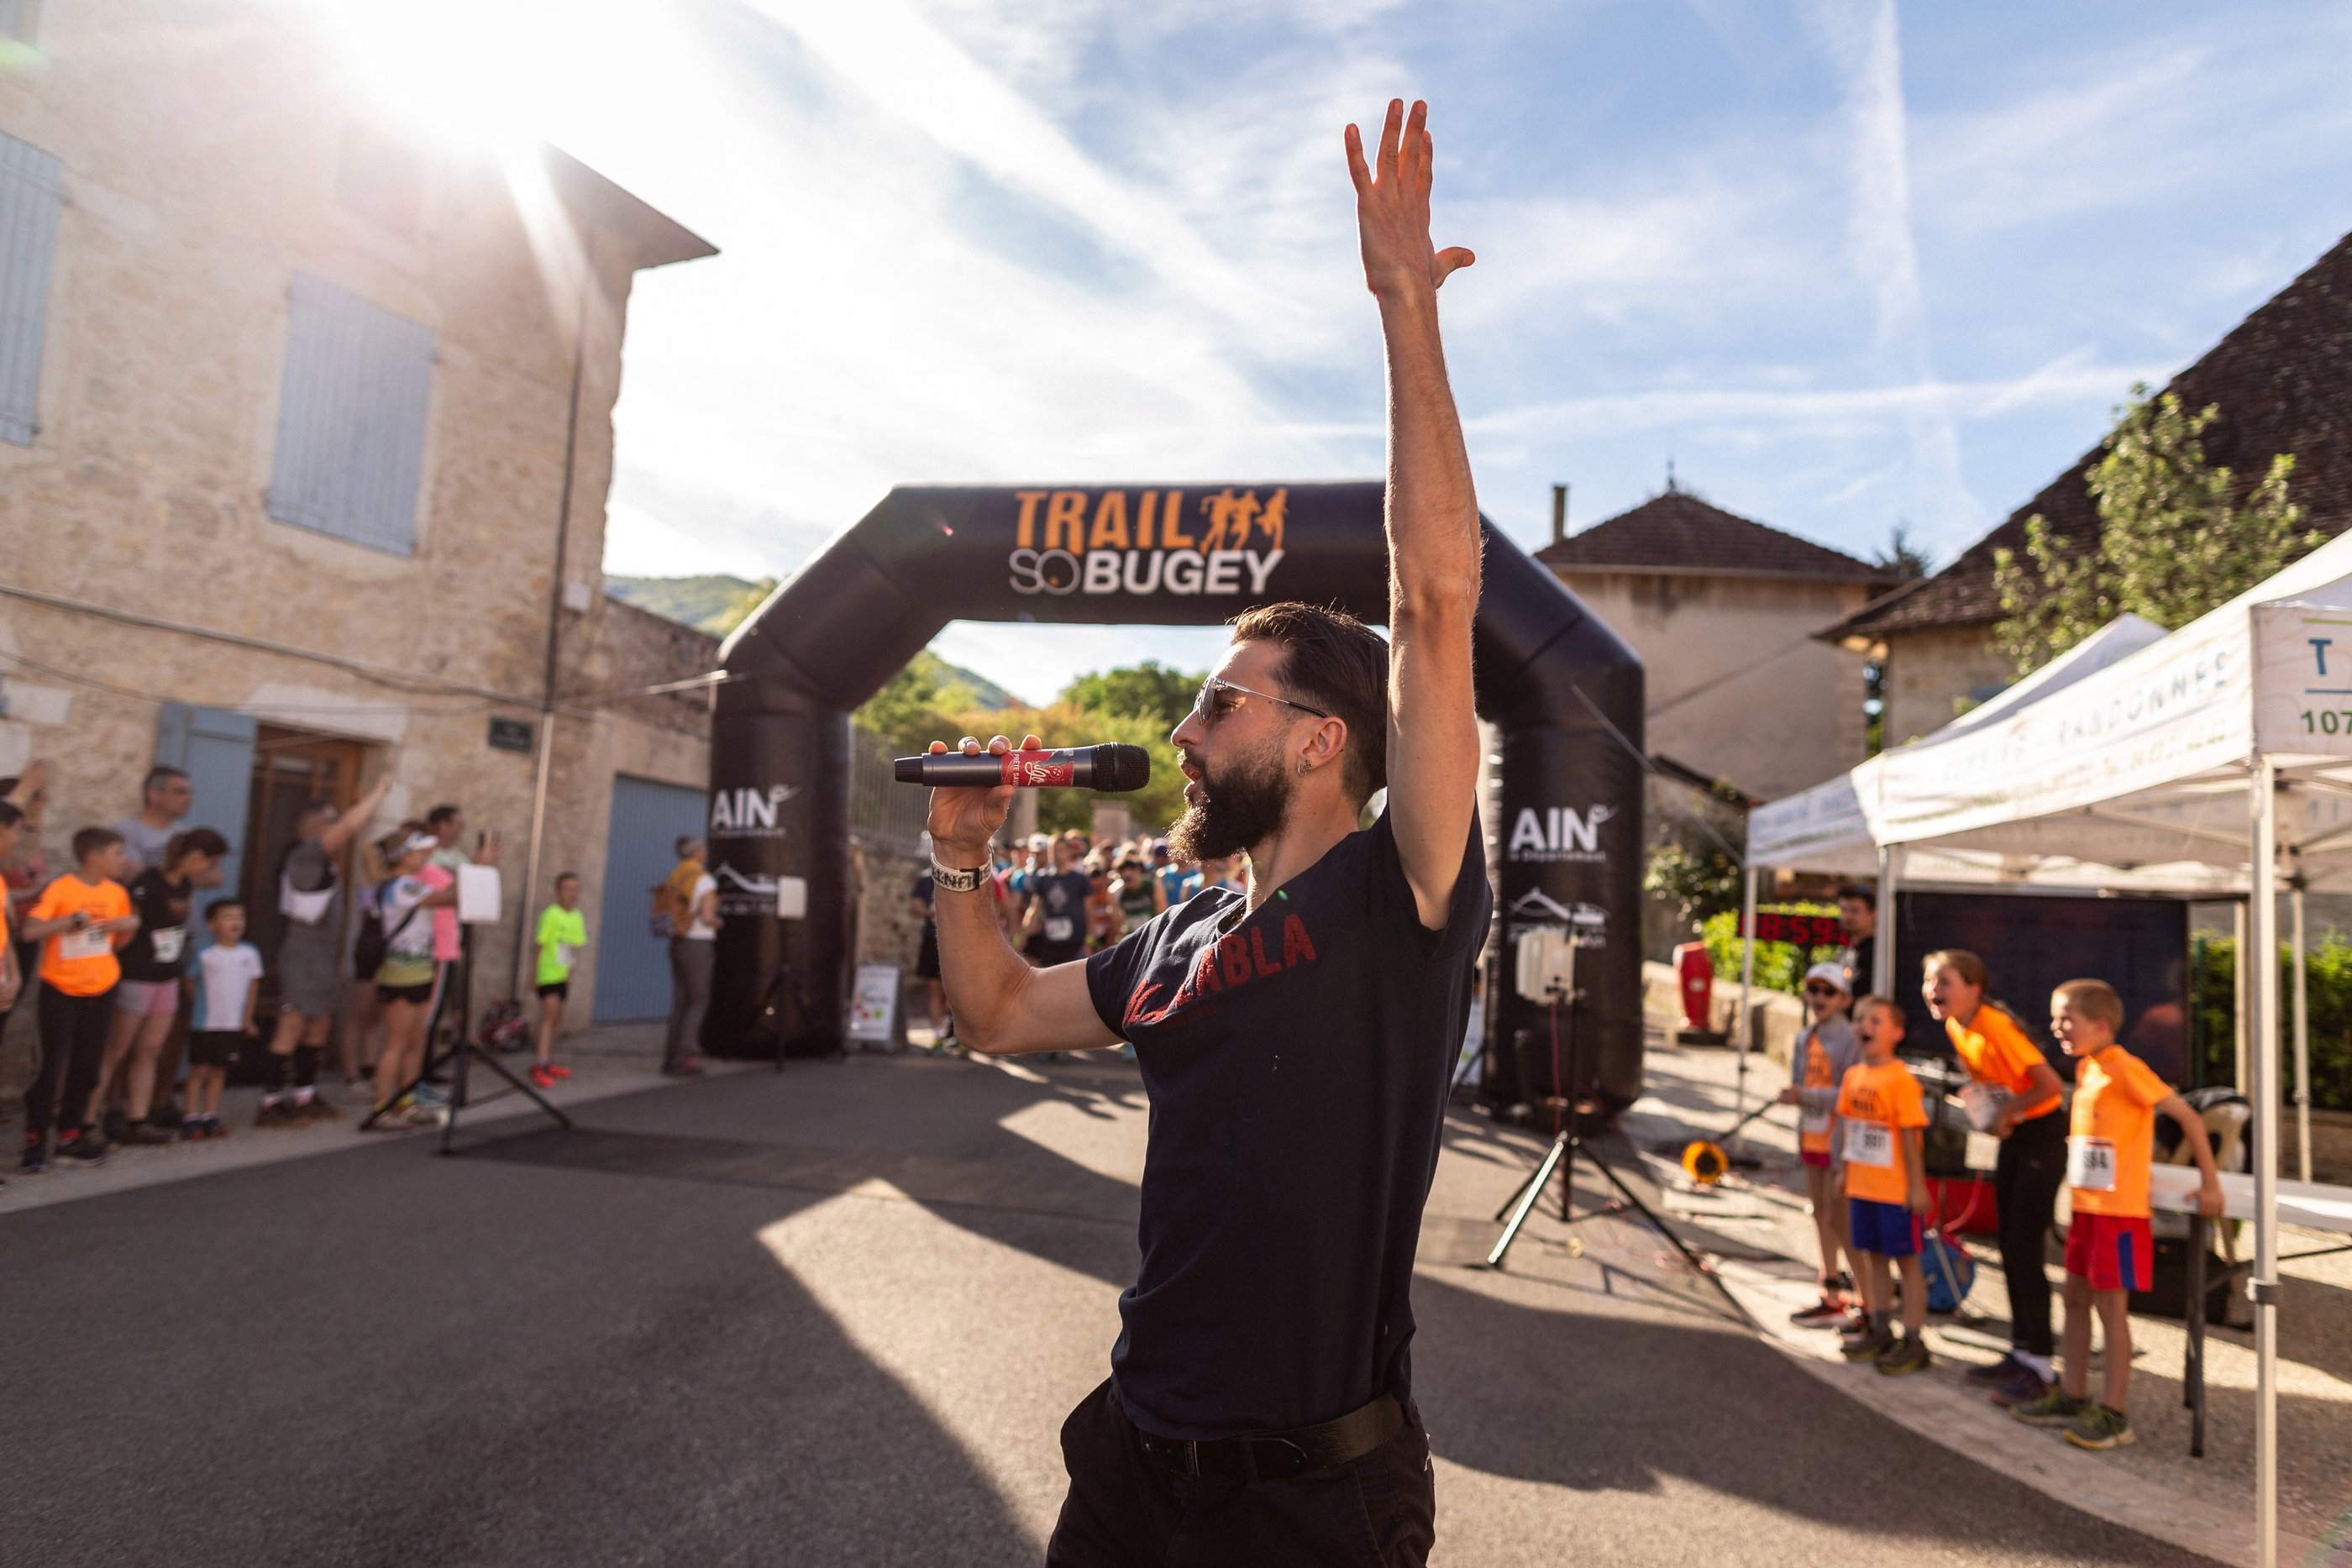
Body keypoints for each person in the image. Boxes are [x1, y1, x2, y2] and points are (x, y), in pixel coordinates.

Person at [921, 99, 1483, 1565]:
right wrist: (962, 857)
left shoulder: (1397, 896)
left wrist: (1403, 306)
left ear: (1317, 740)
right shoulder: (1175, 938)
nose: (1183, 732)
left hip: (1308, 1500)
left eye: (1219, 705)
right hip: (1132, 1461)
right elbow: (988, 1009)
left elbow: (1434, 600)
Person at [2010, 979, 2227, 1450]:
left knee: (2112, 1309)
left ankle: (2114, 1413)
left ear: (2101, 1024)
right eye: (2055, 1018)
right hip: (2086, 1210)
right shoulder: (2089, 1068)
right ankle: (2071, 1394)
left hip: (2120, 1215)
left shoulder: (2128, 1069)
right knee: (2073, 1298)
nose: (2056, 1027)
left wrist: (2210, 1183)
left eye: (2066, 1018)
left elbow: (2189, 1118)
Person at [1924, 947, 2069, 1406]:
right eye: (1929, 981)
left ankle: (2042, 1366)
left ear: (1974, 990)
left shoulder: (1995, 1025)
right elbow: (1994, 1084)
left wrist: (2007, 1112)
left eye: (1944, 982)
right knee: (2009, 1244)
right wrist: (1990, 1110)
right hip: (2015, 1136)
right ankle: (2022, 1351)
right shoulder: (1955, 1026)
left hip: (2042, 1137)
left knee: (2026, 1248)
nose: (1933, 990)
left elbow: (2049, 1086)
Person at [261, 774, 394, 1125]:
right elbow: (349, 827)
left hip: (322, 954)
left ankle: (305, 1094)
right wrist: (377, 792)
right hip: (302, 953)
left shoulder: (319, 860)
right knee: (291, 1025)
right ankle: (271, 1101)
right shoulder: (305, 856)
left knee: (318, 1024)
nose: (340, 826)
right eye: (333, 820)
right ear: (320, 826)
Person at [95, 826, 227, 1143]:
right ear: (195, 857)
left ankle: (137, 1118)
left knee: (150, 1049)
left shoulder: (184, 884)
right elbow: (129, 926)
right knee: (117, 1050)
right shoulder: (147, 883)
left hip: (166, 974)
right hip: (138, 973)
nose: (210, 871)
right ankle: (90, 1118)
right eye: (208, 863)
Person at [19, 827, 138, 1169]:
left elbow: (118, 943)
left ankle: (70, 1136)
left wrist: (126, 926)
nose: (123, 860)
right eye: (117, 853)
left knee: (87, 1067)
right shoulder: (61, 888)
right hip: (61, 988)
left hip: (102, 986)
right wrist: (68, 922)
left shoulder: (117, 892)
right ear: (93, 857)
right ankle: (35, 1140)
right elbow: (29, 930)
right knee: (50, 1066)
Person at [1835, 996, 1933, 1374]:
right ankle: (1879, 1326)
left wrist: (1917, 1186)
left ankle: (1913, 1338)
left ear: (1897, 1032)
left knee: (1907, 1263)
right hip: (1864, 1187)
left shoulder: (1901, 1080)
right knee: (1873, 1259)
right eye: (1860, 1019)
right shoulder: (1853, 1076)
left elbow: (1909, 1136)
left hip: (1896, 1190)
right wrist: (1845, 1171)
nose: (1866, 1026)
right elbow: (1851, 1130)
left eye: (1876, 1020)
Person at [1777, 961, 1861, 1329]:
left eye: (1828, 992)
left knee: (1841, 1220)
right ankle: (1830, 1290)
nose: (1819, 997)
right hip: (1811, 1137)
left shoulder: (1850, 1037)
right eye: (1813, 990)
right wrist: (1801, 1097)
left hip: (1839, 1139)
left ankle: (1865, 1299)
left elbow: (1850, 1092)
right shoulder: (1804, 1035)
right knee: (1820, 1214)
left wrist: (1804, 1095)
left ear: (1845, 999)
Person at [365, 824, 459, 1128]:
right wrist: (480, 868)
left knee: (416, 1041)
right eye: (419, 852)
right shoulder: (401, 886)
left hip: (420, 970)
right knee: (395, 1042)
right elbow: (447, 898)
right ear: (404, 856)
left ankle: (406, 1101)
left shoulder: (410, 882)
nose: (424, 858)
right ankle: (382, 1107)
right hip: (400, 974)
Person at [184, 899, 263, 1141]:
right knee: (200, 1069)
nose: (236, 922)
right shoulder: (205, 954)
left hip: (231, 1023)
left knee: (220, 1070)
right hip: (205, 1022)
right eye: (228, 917)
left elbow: (252, 987)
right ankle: (190, 1116)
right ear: (212, 924)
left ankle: (210, 1114)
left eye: (239, 917)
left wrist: (247, 1019)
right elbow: (189, 981)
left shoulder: (249, 953)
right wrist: (196, 1006)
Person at [663, 836, 717, 1077]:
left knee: (680, 1002)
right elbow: (707, 917)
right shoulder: (703, 879)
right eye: (703, 847)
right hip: (697, 943)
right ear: (696, 851)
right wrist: (718, 921)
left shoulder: (675, 875)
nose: (706, 850)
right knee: (697, 1002)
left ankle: (670, 1058)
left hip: (677, 941)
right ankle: (684, 1058)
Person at [530, 872, 586, 1089]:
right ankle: (540, 1063)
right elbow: (539, 945)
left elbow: (572, 949)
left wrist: (569, 976)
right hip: (547, 973)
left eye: (575, 889)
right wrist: (534, 975)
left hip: (562, 975)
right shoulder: (551, 915)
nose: (572, 893)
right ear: (558, 892)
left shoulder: (577, 916)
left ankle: (548, 1059)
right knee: (549, 1015)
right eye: (567, 889)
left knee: (557, 1018)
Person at [1021, 835, 1094, 968]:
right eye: (1052, 850)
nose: (1056, 854)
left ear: (1068, 852)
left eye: (1060, 850)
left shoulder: (1080, 879)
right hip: (1049, 942)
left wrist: (1088, 941)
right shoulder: (1043, 878)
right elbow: (1034, 909)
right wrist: (1023, 936)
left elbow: (1089, 912)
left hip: (1074, 942)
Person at [114, 765, 192, 875]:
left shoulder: (184, 833)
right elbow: (134, 876)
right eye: (179, 792)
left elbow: (212, 877)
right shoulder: (126, 832)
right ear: (154, 794)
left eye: (189, 793)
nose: (188, 799)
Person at [909, 867, 947, 1042]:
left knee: (957, 993)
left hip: (957, 943)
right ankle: (938, 1035)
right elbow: (915, 907)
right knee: (933, 990)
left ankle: (954, 1033)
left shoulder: (961, 873)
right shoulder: (925, 878)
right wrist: (930, 913)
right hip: (932, 940)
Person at [1835, 883, 1875, 997]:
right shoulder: (1844, 953)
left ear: (1873, 914)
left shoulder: (1878, 954)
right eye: (1843, 910)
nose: (1847, 916)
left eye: (1854, 911)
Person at [1113, 855, 1164, 941]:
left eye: (1129, 878)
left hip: (1153, 932)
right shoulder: (1118, 892)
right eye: (1124, 879)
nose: (1128, 882)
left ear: (1138, 871)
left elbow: (1162, 909)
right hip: (1132, 936)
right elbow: (1116, 919)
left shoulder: (1151, 886)